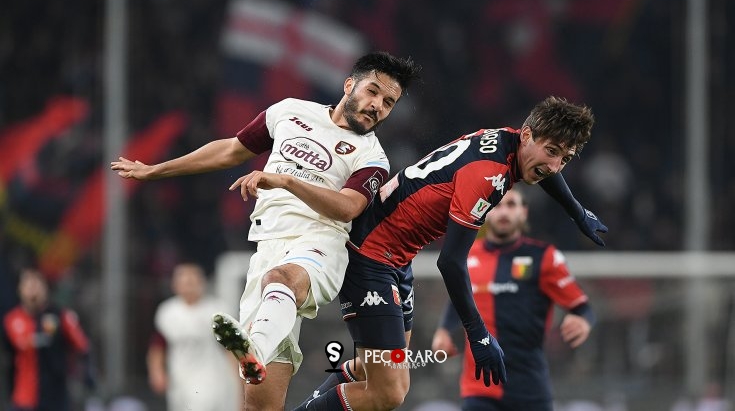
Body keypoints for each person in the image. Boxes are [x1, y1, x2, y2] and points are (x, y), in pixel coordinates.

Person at [111, 51, 422, 411]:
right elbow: (231, 150)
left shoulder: (372, 156)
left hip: (320, 244)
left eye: (388, 103)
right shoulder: (289, 111)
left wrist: (287, 181)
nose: (377, 106)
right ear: (349, 85)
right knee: (260, 405)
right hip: (267, 247)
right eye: (372, 92)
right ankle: (256, 349)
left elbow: (349, 206)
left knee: (282, 278)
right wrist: (155, 170)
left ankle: (254, 347)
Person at [295, 96, 607, 410]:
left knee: (372, 368)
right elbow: (452, 262)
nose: (554, 166)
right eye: (552, 152)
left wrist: (578, 212)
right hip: (371, 255)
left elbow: (544, 167)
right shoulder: (489, 174)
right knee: (389, 392)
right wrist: (479, 335)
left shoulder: (507, 141)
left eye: (564, 159)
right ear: (527, 135)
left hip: (395, 258)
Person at [431, 186, 594, 411]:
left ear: (523, 212)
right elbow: (459, 299)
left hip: (530, 387)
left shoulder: (545, 257)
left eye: (511, 205)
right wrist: (444, 330)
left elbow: (581, 306)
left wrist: (582, 320)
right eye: (497, 205)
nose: (504, 212)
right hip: (479, 387)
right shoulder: (466, 257)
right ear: (486, 212)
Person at [147, 262, 241, 410]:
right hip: (179, 378)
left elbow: (231, 348)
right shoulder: (167, 312)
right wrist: (156, 371)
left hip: (212, 379)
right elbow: (159, 344)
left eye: (192, 282)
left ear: (202, 283)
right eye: (183, 282)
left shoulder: (217, 310)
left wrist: (238, 379)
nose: (188, 286)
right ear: (174, 284)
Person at [2, 267, 95, 411]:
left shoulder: (61, 317)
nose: (33, 290)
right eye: (28, 285)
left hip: (56, 399)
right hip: (24, 399)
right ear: (20, 289)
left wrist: (87, 374)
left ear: (45, 288)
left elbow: (82, 346)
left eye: (37, 284)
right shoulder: (12, 320)